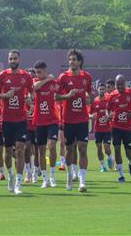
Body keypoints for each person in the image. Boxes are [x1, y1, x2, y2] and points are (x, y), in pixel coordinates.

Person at [0, 50, 34, 195]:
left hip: (21, 119)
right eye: (10, 58)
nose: (13, 60)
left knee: (21, 149)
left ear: (19, 60)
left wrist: (30, 98)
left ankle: (18, 183)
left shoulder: (26, 76)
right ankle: (10, 175)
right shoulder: (2, 76)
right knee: (8, 152)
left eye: (15, 58)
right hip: (7, 119)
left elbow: (32, 93)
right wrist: (4, 95)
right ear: (8, 60)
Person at [56, 49, 93, 192]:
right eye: (70, 59)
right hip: (68, 119)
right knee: (69, 149)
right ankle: (70, 175)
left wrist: (89, 98)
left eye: (74, 59)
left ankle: (82, 182)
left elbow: (89, 93)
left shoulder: (87, 77)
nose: (71, 62)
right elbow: (56, 97)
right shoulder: (63, 77)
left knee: (83, 148)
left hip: (82, 119)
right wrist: (67, 96)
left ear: (80, 62)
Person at [32, 60, 60, 188]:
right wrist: (47, 79)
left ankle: (52, 176)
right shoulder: (35, 82)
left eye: (40, 72)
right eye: (36, 72)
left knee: (52, 145)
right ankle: (45, 179)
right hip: (39, 121)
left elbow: (60, 92)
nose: (37, 74)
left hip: (53, 120)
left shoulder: (54, 84)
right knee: (41, 150)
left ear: (45, 70)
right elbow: (35, 88)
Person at [107, 75, 131, 183]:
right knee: (117, 149)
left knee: (128, 151)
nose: (119, 86)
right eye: (117, 84)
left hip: (128, 128)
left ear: (125, 83)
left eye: (121, 84)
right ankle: (121, 175)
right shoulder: (112, 96)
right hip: (115, 127)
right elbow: (108, 109)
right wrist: (108, 116)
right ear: (115, 84)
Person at [90, 83, 113, 173]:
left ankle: (110, 157)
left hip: (107, 128)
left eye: (103, 89)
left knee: (107, 147)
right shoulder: (95, 101)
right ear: (97, 90)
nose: (102, 91)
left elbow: (112, 111)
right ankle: (103, 166)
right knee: (99, 148)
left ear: (105, 90)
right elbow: (91, 113)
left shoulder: (108, 100)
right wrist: (92, 116)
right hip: (98, 129)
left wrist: (110, 116)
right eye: (100, 89)